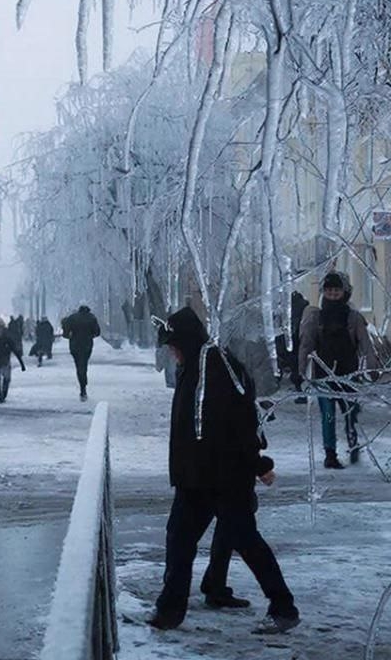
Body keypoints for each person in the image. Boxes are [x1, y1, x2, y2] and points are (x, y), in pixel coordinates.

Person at [148, 306, 299, 635]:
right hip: (197, 477)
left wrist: (259, 465)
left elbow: (240, 421)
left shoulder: (215, 367)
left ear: (185, 341)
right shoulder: (196, 364)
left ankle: (284, 608)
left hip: (225, 477)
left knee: (246, 541)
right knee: (179, 539)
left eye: (172, 346)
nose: (171, 353)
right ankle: (170, 610)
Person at [298, 271, 375, 469]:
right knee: (328, 415)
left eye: (336, 291)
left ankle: (353, 442)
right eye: (329, 291)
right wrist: (301, 371)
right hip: (323, 375)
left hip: (348, 374)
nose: (332, 294)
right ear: (324, 292)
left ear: (344, 292)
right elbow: (306, 345)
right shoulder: (316, 316)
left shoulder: (353, 317)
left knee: (351, 411)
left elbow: (365, 343)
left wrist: (372, 368)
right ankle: (330, 454)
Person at [60, 304, 100, 401]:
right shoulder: (92, 318)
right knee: (84, 364)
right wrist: (89, 335)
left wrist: (70, 336)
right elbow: (97, 332)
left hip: (75, 345)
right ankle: (83, 386)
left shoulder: (72, 318)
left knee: (78, 366)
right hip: (87, 345)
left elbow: (65, 332)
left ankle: (82, 386)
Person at [0, 315, 25, 403]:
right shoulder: (6, 334)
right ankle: (4, 394)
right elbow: (14, 348)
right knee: (6, 378)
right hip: (5, 360)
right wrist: (22, 363)